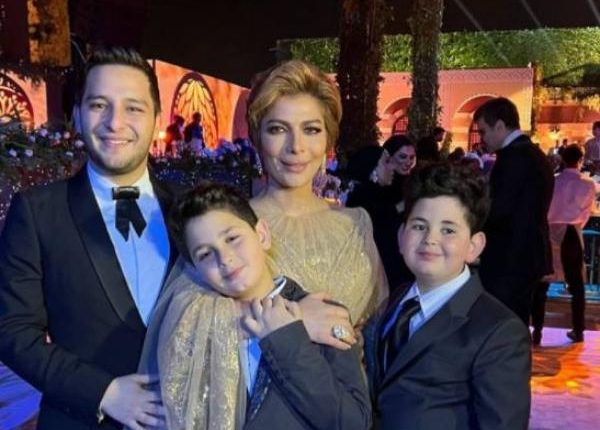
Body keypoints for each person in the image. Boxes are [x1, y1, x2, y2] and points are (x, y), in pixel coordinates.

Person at [0, 47, 180, 430]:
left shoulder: (188, 210)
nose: (115, 122)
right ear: (77, 116)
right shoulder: (37, 212)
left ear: (157, 119)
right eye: (99, 105)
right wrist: (103, 392)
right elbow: (12, 331)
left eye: (133, 108)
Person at [153, 183, 371, 429]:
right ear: (196, 270)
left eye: (232, 239)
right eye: (205, 254)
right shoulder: (195, 329)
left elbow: (353, 423)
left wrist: (286, 337)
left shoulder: (322, 312)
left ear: (262, 235)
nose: (225, 258)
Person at [366, 162, 531, 430]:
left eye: (448, 230)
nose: (430, 239)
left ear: (474, 246)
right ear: (401, 236)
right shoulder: (394, 301)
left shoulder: (499, 331)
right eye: (419, 226)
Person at [246, 60, 387, 328]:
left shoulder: (355, 225)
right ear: (258, 138)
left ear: (327, 140)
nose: (296, 147)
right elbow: (196, 325)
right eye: (278, 129)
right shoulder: (231, 225)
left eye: (311, 130)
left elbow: (377, 325)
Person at [474, 97, 554, 326]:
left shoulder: (513, 158)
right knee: (514, 324)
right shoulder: (533, 154)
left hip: (509, 259)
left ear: (500, 126)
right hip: (525, 256)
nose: (482, 139)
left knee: (503, 326)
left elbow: (499, 209)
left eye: (483, 131)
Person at [532, 144, 597, 344]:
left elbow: (542, 208)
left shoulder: (553, 181)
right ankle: (578, 330)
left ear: (562, 159)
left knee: (542, 283)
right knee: (577, 285)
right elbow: (587, 212)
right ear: (580, 160)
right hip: (571, 233)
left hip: (550, 231)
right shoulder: (589, 184)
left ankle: (537, 331)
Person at [346, 135, 417, 289]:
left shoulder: (412, 184)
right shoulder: (362, 199)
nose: (392, 166)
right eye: (387, 162)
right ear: (372, 169)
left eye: (412, 157)